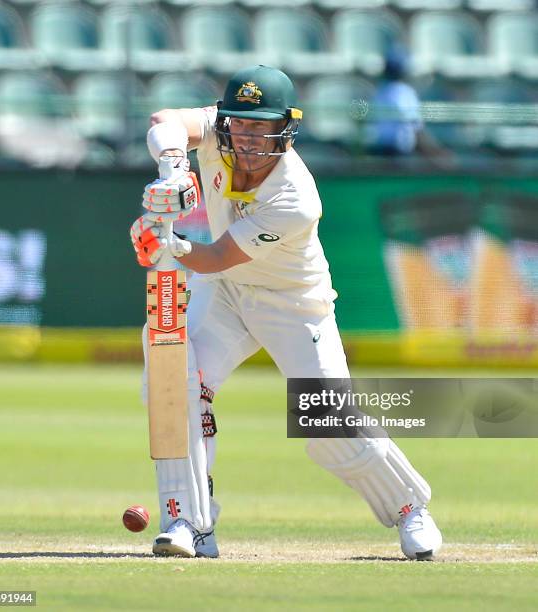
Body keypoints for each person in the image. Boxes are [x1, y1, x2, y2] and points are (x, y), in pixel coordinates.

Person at [130, 65, 443, 560]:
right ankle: (190, 522)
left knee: (327, 422)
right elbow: (164, 118)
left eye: (262, 128)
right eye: (241, 125)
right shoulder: (219, 130)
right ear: (226, 120)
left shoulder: (296, 197)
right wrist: (173, 166)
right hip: (227, 293)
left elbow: (214, 255)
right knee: (172, 378)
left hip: (293, 304)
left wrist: (166, 242)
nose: (249, 139)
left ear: (285, 129)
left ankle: (410, 509)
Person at [366, 47, 452, 162]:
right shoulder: (405, 92)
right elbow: (417, 130)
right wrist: (436, 152)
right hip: (398, 154)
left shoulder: (379, 91)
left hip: (379, 151)